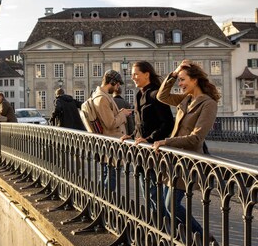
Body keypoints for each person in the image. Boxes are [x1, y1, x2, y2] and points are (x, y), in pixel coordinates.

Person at [153, 60, 220, 236]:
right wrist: (174, 74)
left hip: (188, 163)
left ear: (195, 80)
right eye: (179, 80)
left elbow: (196, 138)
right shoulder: (187, 99)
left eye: (183, 80)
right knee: (167, 206)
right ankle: (184, 241)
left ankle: (205, 239)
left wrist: (167, 142)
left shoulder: (208, 104)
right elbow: (162, 96)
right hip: (174, 160)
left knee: (171, 206)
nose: (180, 84)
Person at [121, 61, 174, 213]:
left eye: (136, 74)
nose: (133, 78)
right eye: (132, 75)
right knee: (148, 195)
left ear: (147, 74)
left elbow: (168, 123)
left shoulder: (155, 94)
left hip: (153, 153)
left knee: (154, 195)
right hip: (141, 153)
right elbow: (141, 125)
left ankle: (163, 228)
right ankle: (156, 226)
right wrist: (130, 136)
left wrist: (150, 139)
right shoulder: (139, 95)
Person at [91, 70, 133, 190]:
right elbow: (110, 123)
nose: (117, 88)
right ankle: (105, 203)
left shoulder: (102, 96)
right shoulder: (102, 98)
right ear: (112, 82)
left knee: (106, 175)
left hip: (109, 144)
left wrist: (119, 113)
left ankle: (102, 201)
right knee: (110, 177)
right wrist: (123, 114)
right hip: (111, 145)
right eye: (117, 84)